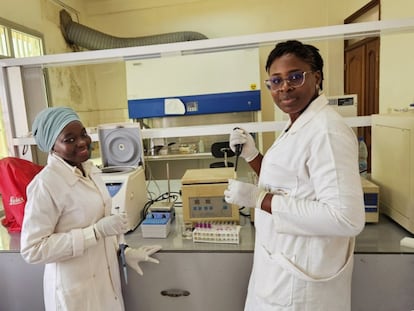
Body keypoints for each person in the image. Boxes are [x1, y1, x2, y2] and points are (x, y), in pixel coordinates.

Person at [224, 40, 365, 310]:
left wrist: (259, 199)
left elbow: (347, 219)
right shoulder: (298, 122)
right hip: (282, 266)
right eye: (275, 81)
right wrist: (253, 156)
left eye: (295, 77)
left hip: (300, 285)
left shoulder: (326, 131)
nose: (284, 87)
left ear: (317, 77)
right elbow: (289, 183)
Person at [20, 107, 162, 311]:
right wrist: (94, 232)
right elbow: (32, 250)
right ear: (53, 146)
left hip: (106, 284)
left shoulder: (90, 169)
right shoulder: (46, 184)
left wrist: (123, 252)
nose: (82, 142)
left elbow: (102, 223)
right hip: (76, 292)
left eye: (83, 134)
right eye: (69, 139)